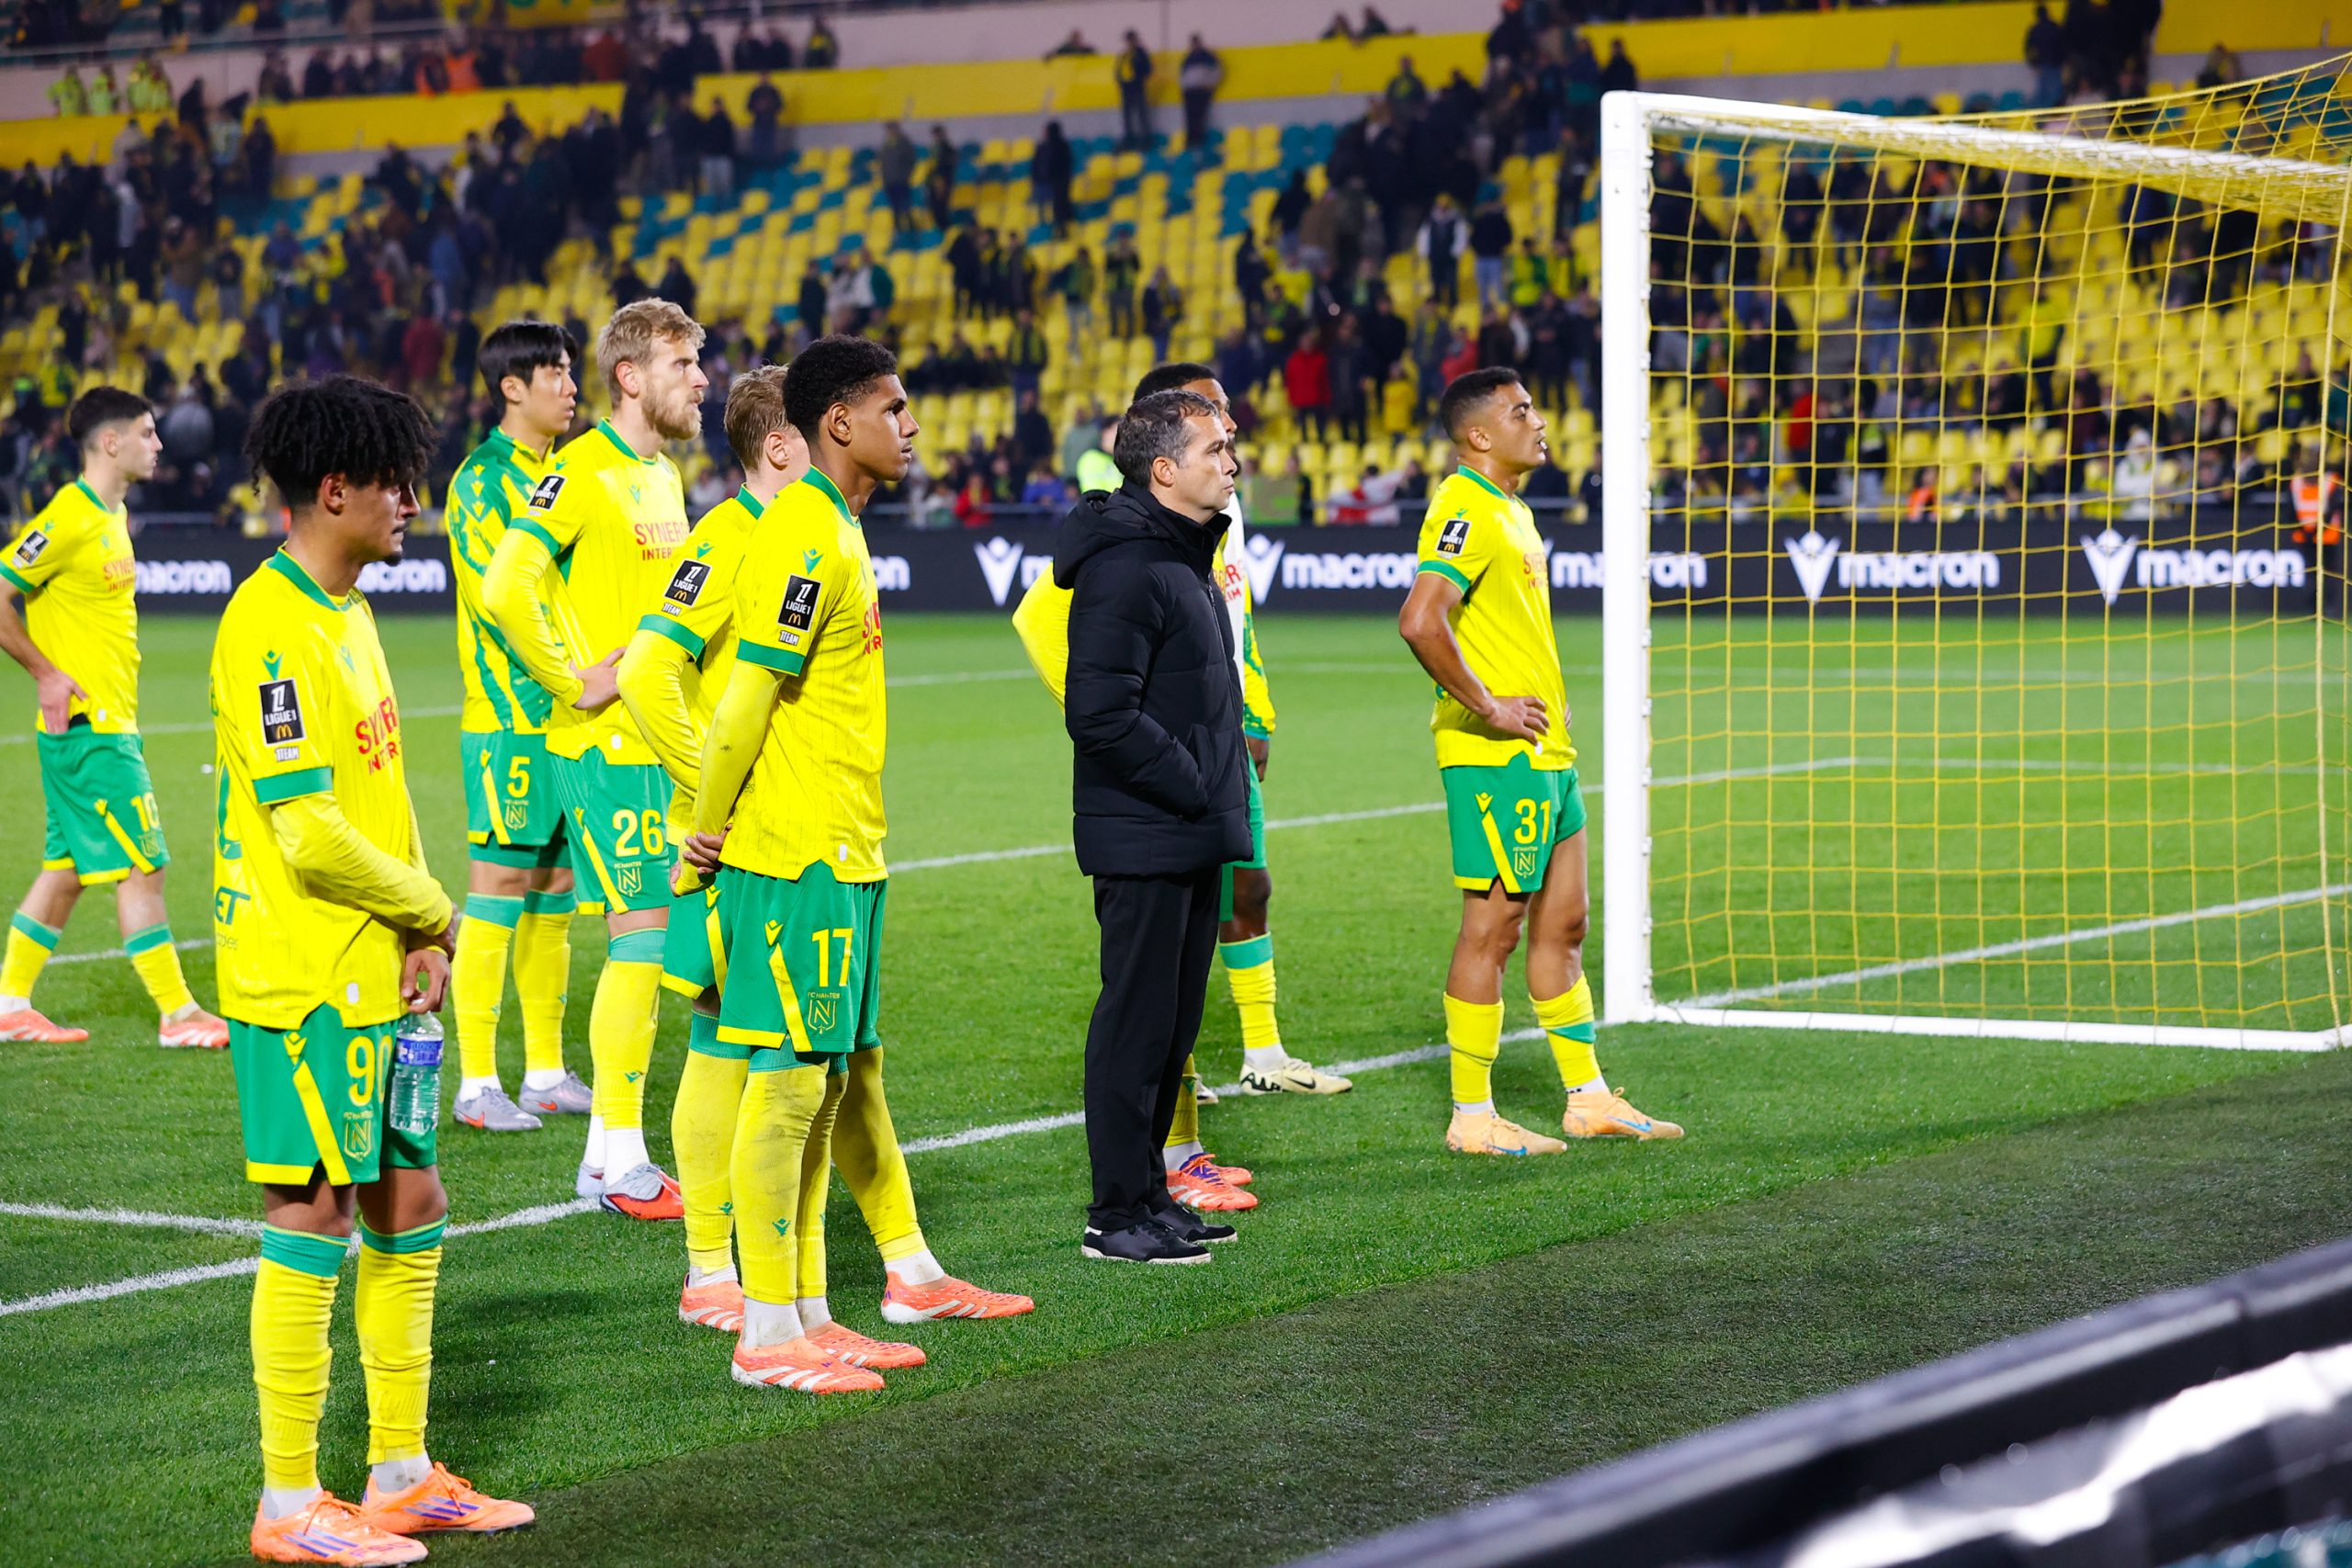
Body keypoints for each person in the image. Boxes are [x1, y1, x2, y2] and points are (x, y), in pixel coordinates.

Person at [680, 336, 1035, 1391]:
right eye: (896, 407)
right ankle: (763, 1334)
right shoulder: (805, 532)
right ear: (838, 423)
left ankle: (806, 1310)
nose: (914, 425)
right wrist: (702, 826)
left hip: (840, 842)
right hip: (797, 852)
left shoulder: (827, 526)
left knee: (825, 1087)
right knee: (786, 1089)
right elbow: (744, 697)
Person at [221, 376, 533, 1563]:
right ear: (332, 488)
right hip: (299, 976)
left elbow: (377, 791)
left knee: (411, 1200)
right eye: (396, 479)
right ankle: (288, 1498)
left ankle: (398, 1470)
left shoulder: (347, 608)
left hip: (372, 971)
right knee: (312, 1209)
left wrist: (411, 935)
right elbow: (303, 828)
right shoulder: (268, 624)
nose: (416, 498)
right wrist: (439, 909)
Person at [1397, 369, 1683, 1156]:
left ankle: (1587, 1098)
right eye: (1520, 411)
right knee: (1492, 930)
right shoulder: (1463, 504)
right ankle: (1471, 1114)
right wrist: (1489, 707)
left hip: (1544, 752)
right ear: (1479, 435)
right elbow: (1421, 620)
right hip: (1496, 757)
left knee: (1565, 922)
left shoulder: (1512, 509)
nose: (1539, 420)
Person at [482, 299, 705, 1219]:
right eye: (684, 364)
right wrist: (569, 678)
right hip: (605, 744)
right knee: (642, 940)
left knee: (662, 947)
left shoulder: (660, 478)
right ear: (631, 375)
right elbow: (504, 585)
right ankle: (616, 1158)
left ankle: (618, 1151)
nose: (700, 380)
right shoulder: (580, 473)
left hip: (660, 740)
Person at [1057, 389, 1253, 1265]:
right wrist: (1194, 780)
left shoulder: (1181, 553)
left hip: (1184, 827)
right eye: (1215, 447)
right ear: (1165, 469)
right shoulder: (1129, 564)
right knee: (1136, 1024)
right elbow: (1099, 714)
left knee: (1171, 1028)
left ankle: (1149, 1196)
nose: (1232, 459)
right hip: (1146, 829)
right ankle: (1113, 1215)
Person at [0, 388, 228, 1049]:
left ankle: (11, 1001)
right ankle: (179, 1014)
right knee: (144, 865)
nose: (159, 444)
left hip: (94, 728)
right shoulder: (70, 514)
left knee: (65, 870)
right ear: (111, 442)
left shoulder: (111, 512)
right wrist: (46, 673)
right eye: (148, 433)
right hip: (93, 730)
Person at [444, 321, 589, 1134]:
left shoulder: (558, 474)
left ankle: (542, 1069)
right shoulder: (482, 482)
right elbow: (511, 600)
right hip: (509, 718)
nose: (571, 387)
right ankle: (473, 1083)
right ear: (512, 387)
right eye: (557, 373)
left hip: (568, 714)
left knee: (554, 893)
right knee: (497, 889)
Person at [1179, 34, 1222, 152]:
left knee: (1200, 116)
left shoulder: (1208, 57)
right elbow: (1182, 75)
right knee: (1190, 117)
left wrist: (1210, 85)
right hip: (1189, 91)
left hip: (1202, 90)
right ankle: (1190, 140)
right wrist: (1184, 87)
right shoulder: (1188, 58)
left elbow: (1217, 72)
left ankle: (1199, 140)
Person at [1114, 29, 1154, 150]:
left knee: (1142, 115)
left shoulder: (1141, 53)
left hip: (1137, 88)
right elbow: (1118, 71)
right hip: (1126, 90)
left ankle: (1145, 139)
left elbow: (1148, 70)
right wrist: (1122, 83)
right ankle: (1129, 138)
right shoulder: (1124, 55)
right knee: (1127, 116)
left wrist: (1138, 79)